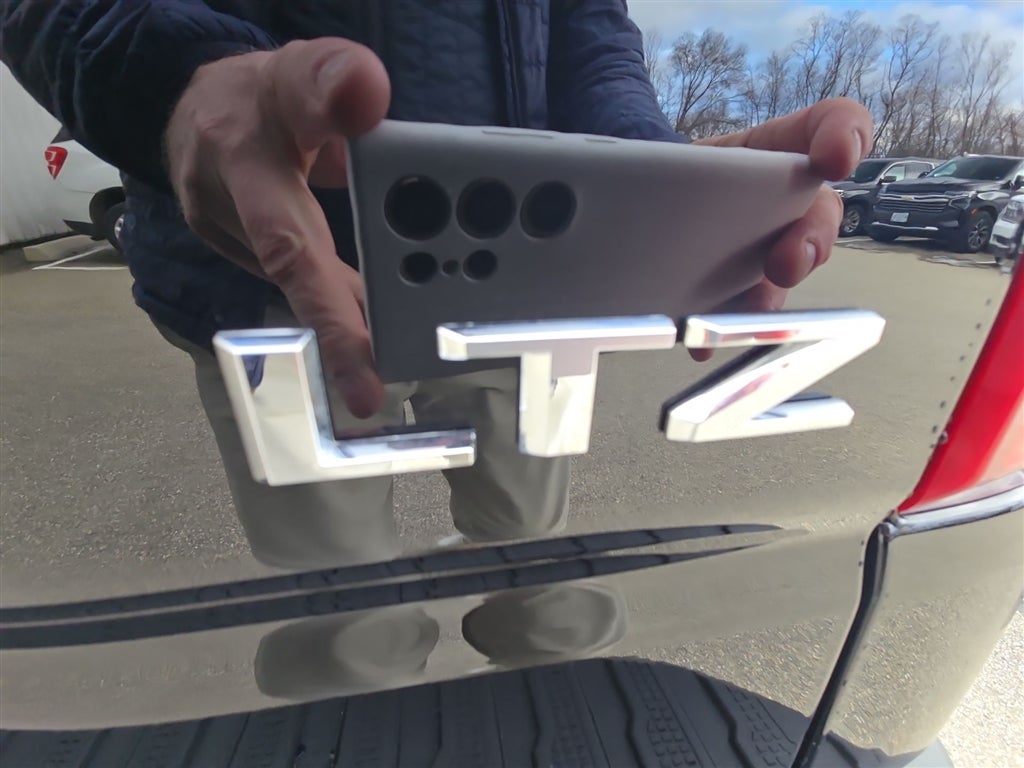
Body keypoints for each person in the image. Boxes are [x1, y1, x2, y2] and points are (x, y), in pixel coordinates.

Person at [0, 1, 871, 569]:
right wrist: (174, 79)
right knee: (341, 620)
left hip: (522, 271)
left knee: (535, 575)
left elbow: (592, 38)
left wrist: (651, 171)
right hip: (279, 271)